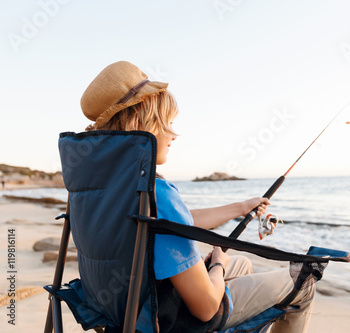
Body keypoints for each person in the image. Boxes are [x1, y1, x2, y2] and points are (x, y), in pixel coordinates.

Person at [80, 61, 315, 332]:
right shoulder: (157, 194)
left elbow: (172, 224)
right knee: (304, 283)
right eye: (167, 123)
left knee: (242, 262)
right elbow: (205, 307)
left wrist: (242, 207)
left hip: (125, 313)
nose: (173, 135)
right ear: (140, 125)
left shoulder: (104, 189)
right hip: (167, 319)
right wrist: (216, 265)